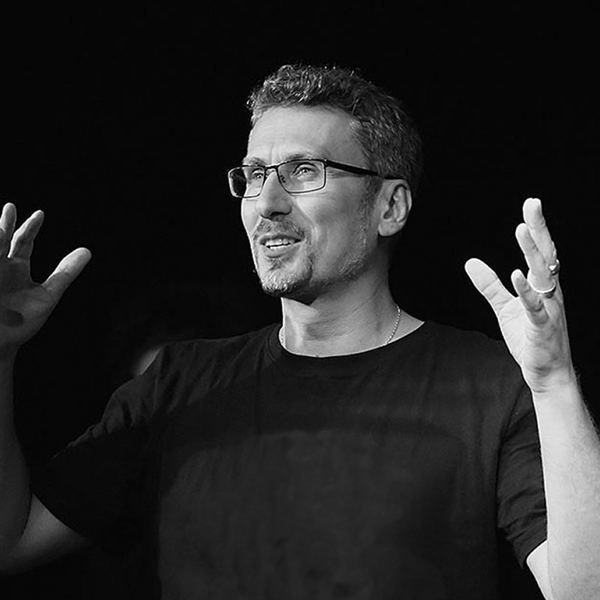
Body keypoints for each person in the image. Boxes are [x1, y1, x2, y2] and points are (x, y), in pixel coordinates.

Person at [0, 64, 598, 599]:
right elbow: (13, 541)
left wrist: (555, 384)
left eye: (303, 171)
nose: (267, 203)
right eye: (254, 175)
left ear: (390, 207)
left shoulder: (488, 386)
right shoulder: (178, 385)